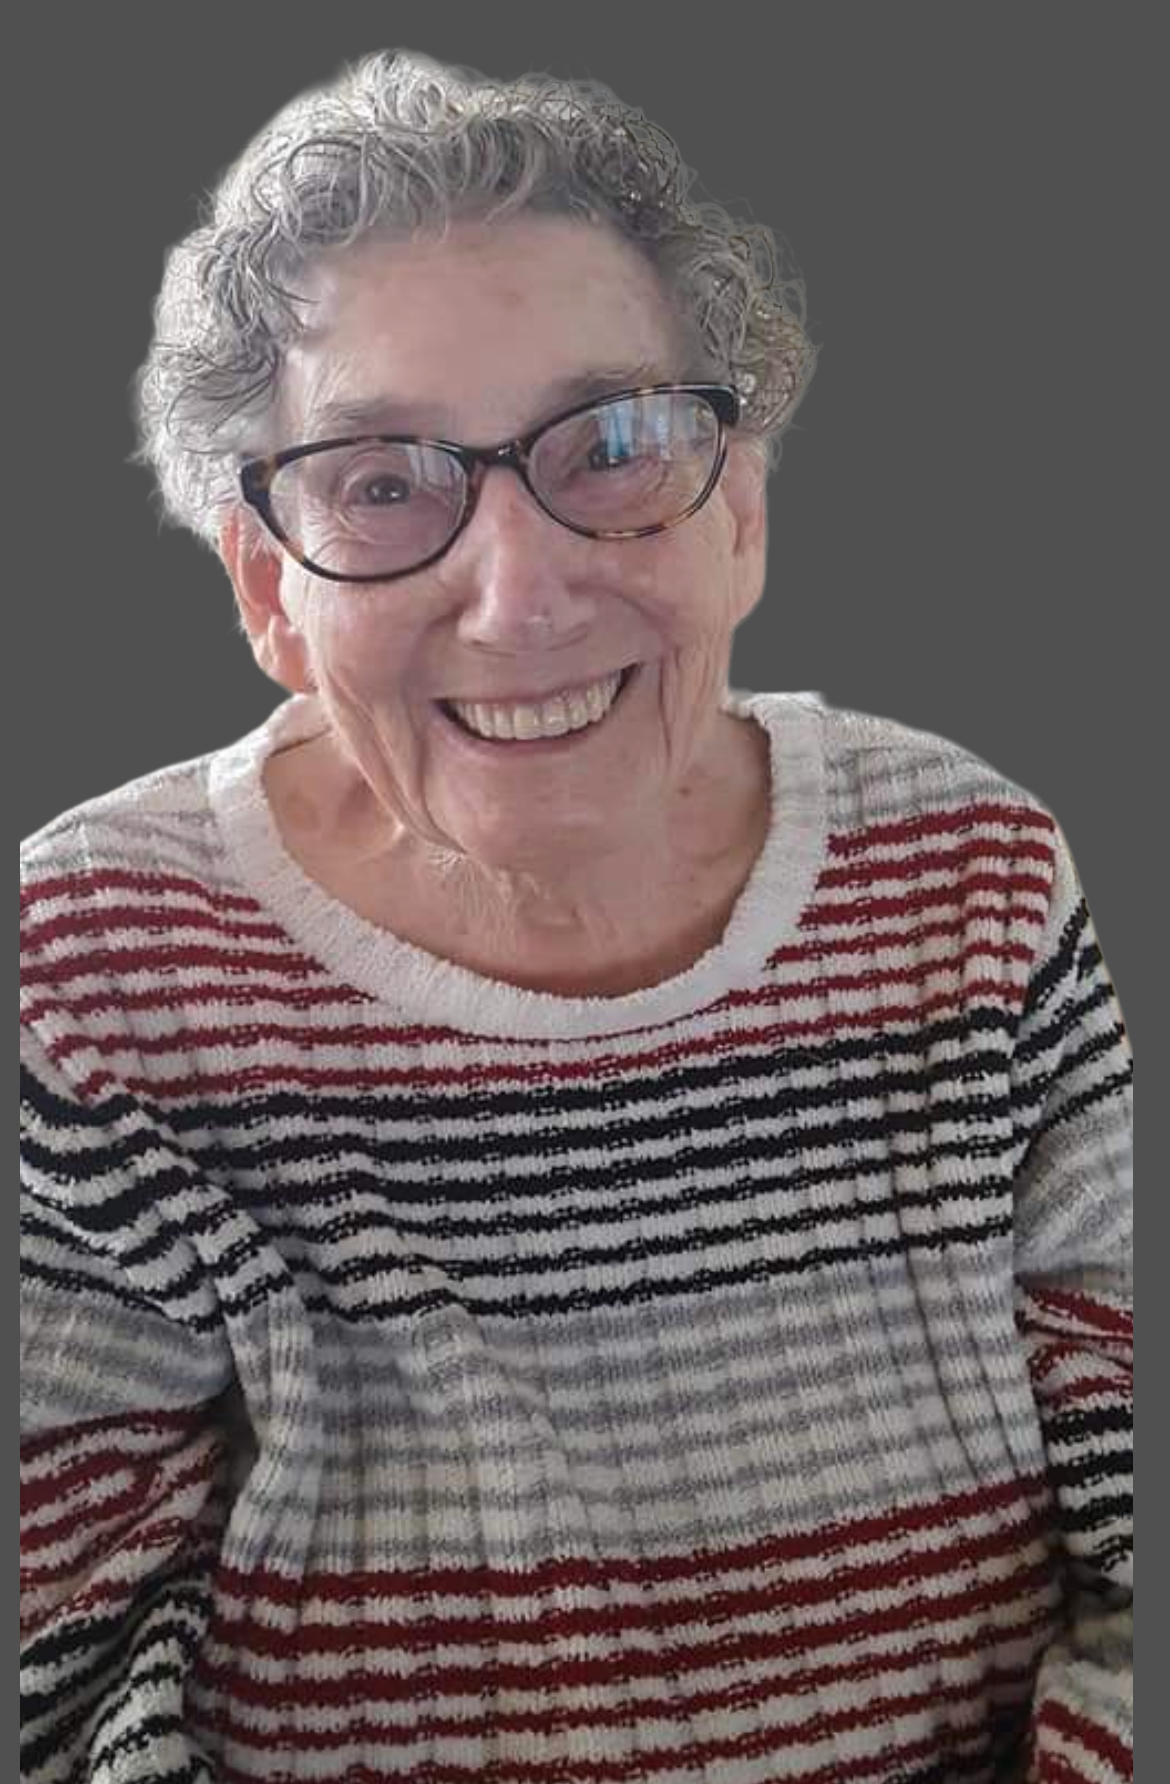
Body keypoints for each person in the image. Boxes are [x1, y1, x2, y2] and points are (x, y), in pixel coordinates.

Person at [19, 47, 1132, 1784]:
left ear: (737, 509)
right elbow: (60, 1682)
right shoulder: (96, 964)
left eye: (611, 448)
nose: (520, 594)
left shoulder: (964, 871)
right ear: (267, 590)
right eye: (381, 483)